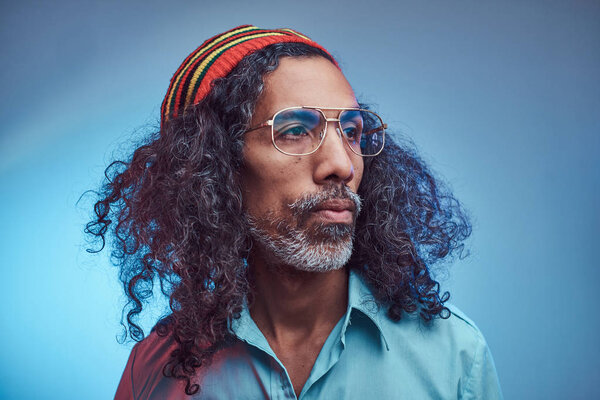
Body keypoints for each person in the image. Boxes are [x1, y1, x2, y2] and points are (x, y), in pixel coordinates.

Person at [87, 25, 503, 399]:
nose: (341, 164)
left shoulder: (454, 356)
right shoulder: (154, 371)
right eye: (296, 130)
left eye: (352, 131)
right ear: (215, 168)